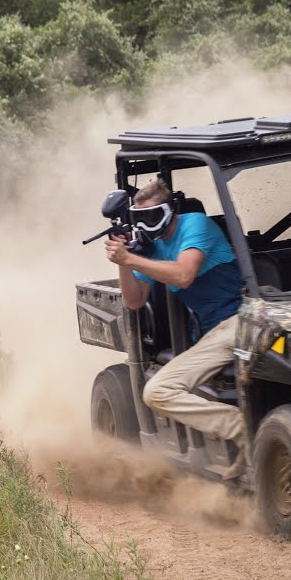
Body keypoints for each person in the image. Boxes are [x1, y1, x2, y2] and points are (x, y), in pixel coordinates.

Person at [104, 178, 247, 479]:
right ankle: (240, 429)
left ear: (170, 211)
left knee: (159, 390)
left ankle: (242, 432)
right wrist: (123, 259)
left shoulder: (196, 223)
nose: (147, 224)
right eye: (140, 218)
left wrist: (131, 257)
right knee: (156, 392)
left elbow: (183, 275)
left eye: (153, 216)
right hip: (213, 334)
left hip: (242, 319)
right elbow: (134, 301)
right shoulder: (153, 250)